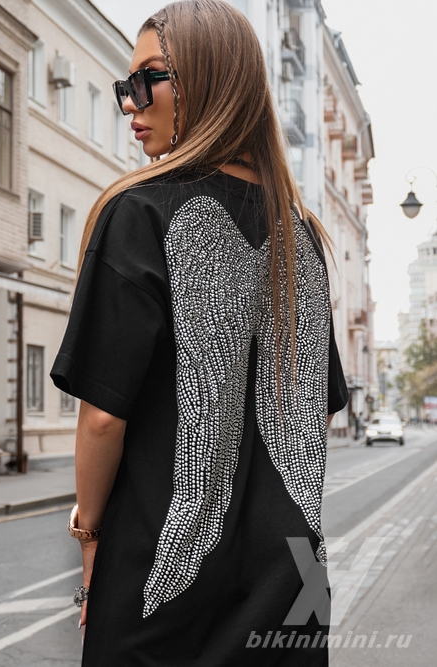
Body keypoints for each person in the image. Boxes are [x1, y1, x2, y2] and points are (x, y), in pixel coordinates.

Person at [50, 1, 349, 665]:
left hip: (164, 581)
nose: (129, 101)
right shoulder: (300, 234)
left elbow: (102, 418)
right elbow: (314, 416)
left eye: (147, 79)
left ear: (211, 81)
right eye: (125, 85)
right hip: (294, 585)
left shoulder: (139, 212)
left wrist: (90, 537)